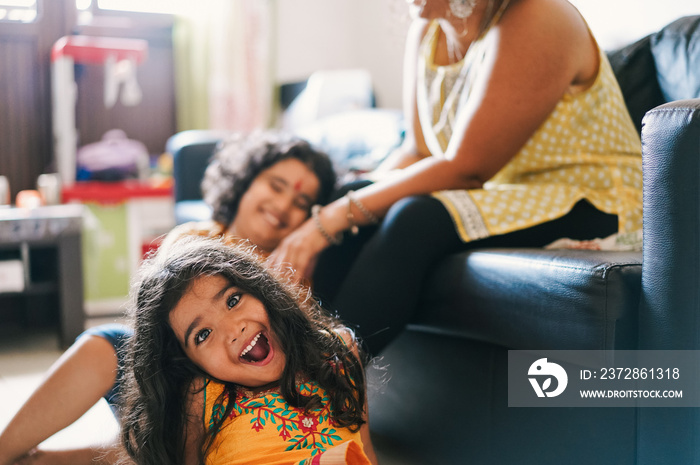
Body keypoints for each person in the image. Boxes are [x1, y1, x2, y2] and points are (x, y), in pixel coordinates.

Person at [268, 0, 643, 355]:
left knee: (414, 217)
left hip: (595, 197)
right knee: (356, 201)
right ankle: (311, 375)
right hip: (504, 193)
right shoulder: (428, 28)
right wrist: (353, 198)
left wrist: (326, 222)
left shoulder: (542, 16)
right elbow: (419, 152)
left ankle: (315, 390)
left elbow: (467, 167)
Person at [0, 131, 337, 465]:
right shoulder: (194, 239)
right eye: (275, 186)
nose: (282, 205)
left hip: (254, 405)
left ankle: (68, 460)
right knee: (105, 343)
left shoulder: (295, 265)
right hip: (177, 380)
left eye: (301, 204)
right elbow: (157, 337)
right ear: (245, 181)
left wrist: (332, 219)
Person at [120, 236, 376, 465]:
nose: (234, 330)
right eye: (203, 335)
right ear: (188, 362)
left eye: (233, 300)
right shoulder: (202, 397)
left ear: (262, 290)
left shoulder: (337, 353)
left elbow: (366, 453)